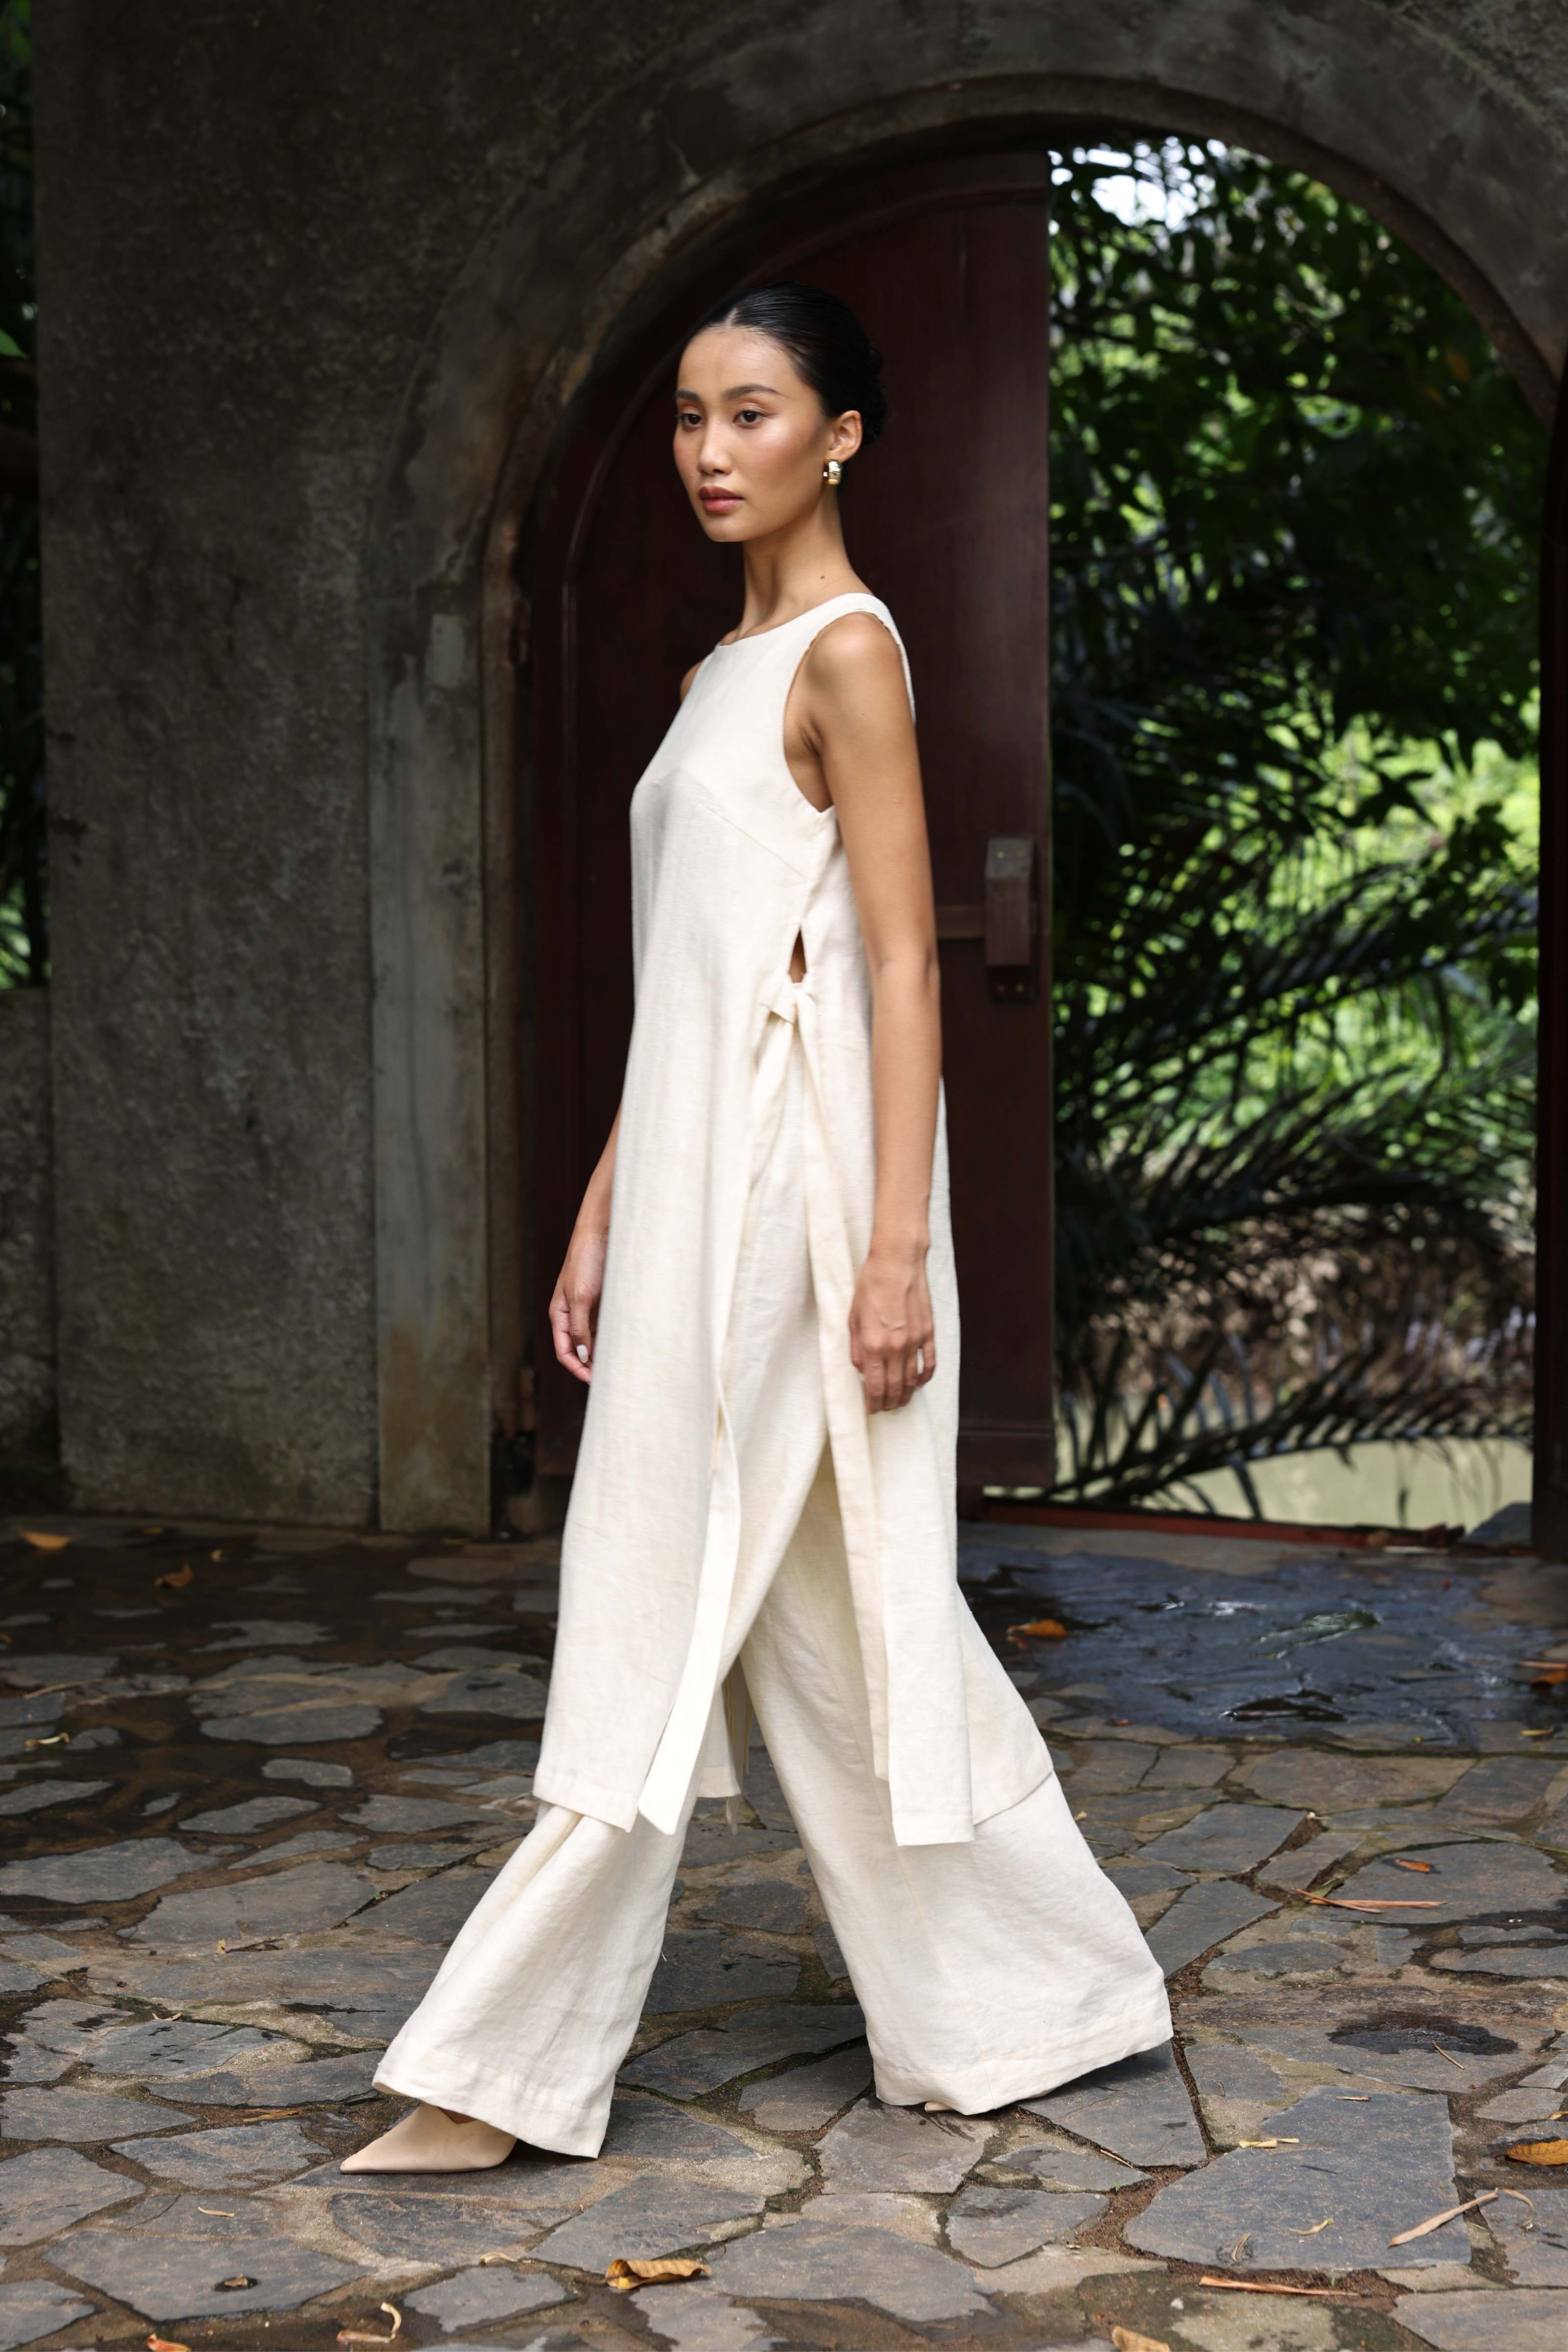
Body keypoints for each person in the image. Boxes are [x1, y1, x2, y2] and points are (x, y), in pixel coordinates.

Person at [343, 281, 1169, 2173]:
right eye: (694, 419)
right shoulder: (723, 668)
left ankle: (497, 2074)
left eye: (757, 414)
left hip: (801, 1203)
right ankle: (1045, 1999)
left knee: (663, 1579)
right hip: (696, 1175)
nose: (713, 453)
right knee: (817, 1597)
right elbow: (696, 977)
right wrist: (602, 1204)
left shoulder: (847, 655)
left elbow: (900, 959)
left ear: (843, 435)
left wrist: (893, 1251)